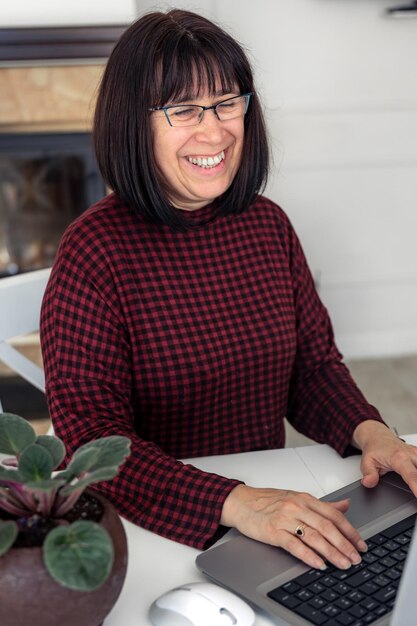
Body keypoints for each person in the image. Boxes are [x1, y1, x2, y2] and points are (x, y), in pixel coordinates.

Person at [40, 8, 417, 572]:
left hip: (265, 510)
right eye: (184, 109)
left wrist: (372, 432)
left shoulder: (267, 225)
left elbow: (312, 370)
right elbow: (94, 445)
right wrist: (234, 502)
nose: (214, 131)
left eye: (225, 103)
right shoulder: (93, 252)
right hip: (158, 530)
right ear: (132, 122)